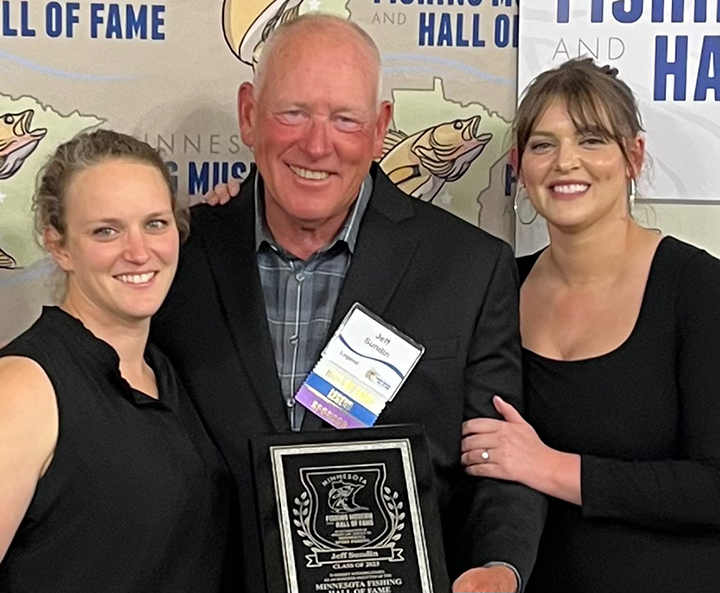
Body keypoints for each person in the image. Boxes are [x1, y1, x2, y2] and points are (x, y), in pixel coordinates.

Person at [151, 13, 545, 593]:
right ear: (248, 114)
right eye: (293, 112)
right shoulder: (174, 259)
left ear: (381, 127)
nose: (317, 143)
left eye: (344, 118)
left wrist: (498, 568)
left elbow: (500, 460)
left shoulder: (468, 268)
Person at [461, 58, 720, 593]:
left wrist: (550, 467)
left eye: (592, 139)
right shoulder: (494, 291)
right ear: (519, 166)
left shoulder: (697, 287)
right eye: (543, 145)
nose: (566, 162)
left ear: (634, 156)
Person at [0, 130, 235, 592]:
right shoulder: (24, 389)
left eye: (155, 224)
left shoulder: (167, 374)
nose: (138, 251)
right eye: (105, 230)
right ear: (59, 244)